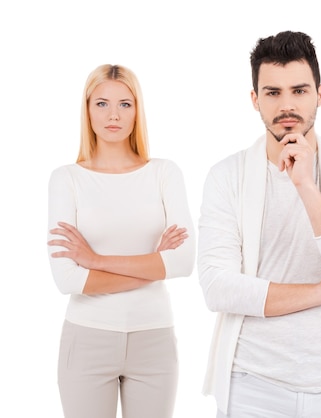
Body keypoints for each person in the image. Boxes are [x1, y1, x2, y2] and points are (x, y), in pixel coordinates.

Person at [197, 30, 321, 418]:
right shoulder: (225, 176)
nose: (287, 105)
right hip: (251, 385)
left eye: (299, 91)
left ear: (320, 93)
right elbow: (218, 287)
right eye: (273, 93)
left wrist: (306, 186)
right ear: (255, 100)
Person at [47, 64, 195, 418]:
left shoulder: (164, 173)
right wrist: (153, 264)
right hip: (87, 339)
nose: (113, 114)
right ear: (87, 109)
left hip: (154, 338)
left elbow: (183, 262)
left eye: (125, 104)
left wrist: (96, 260)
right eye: (102, 103)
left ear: (137, 111)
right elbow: (68, 279)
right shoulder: (66, 180)